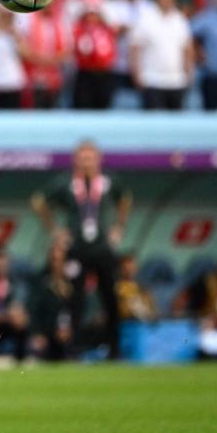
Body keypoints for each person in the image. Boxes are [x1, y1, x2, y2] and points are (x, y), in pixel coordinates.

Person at [31, 140, 132, 359]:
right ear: (75, 160)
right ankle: (74, 350)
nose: (87, 162)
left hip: (102, 248)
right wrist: (56, 231)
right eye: (83, 158)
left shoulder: (107, 181)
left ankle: (114, 349)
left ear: (99, 159)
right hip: (76, 249)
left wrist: (118, 228)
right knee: (75, 301)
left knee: (110, 299)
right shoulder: (66, 182)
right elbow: (38, 201)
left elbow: (125, 199)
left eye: (90, 158)